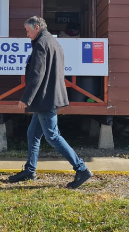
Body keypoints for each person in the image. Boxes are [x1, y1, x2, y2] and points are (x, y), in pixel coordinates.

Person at [8, 16, 93, 189]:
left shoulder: (41, 44)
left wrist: (26, 98)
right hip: (49, 97)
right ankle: (30, 170)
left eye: (28, 31)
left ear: (37, 28)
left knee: (53, 136)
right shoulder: (54, 42)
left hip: (46, 99)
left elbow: (37, 75)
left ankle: (81, 169)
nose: (27, 34)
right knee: (33, 134)